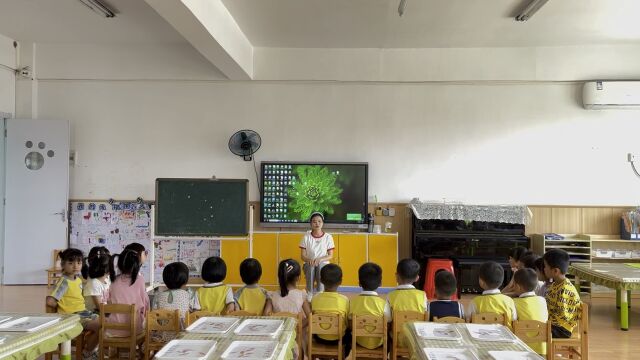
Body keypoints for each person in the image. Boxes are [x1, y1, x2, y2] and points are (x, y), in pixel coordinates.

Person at [47, 248, 100, 359]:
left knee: (106, 323)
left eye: (79, 263)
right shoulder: (64, 282)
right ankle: (88, 352)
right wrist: (61, 305)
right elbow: (50, 301)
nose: (75, 266)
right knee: (101, 325)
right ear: (63, 265)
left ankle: (90, 349)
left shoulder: (78, 279)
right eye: (70, 263)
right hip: (72, 317)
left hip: (83, 313)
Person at [264, 259, 311, 360]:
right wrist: (298, 326)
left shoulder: (272, 295)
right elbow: (310, 317)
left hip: (278, 340)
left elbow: (266, 315)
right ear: (298, 278)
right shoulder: (301, 294)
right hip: (297, 341)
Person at [310, 264, 351, 357]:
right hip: (338, 339)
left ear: (321, 280)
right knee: (350, 333)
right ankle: (341, 356)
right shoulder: (345, 300)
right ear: (340, 281)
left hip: (319, 338)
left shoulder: (315, 299)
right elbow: (347, 323)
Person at [108, 248, 150, 336]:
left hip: (113, 329)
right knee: (148, 328)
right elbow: (145, 304)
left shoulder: (113, 280)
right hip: (134, 329)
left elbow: (109, 301)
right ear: (137, 264)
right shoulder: (140, 279)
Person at [152, 262, 200, 340]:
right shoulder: (188, 294)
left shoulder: (158, 296)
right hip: (182, 336)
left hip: (163, 336)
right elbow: (195, 313)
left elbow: (154, 315)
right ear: (185, 279)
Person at [348, 262, 391, 350]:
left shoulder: (352, 302)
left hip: (358, 341)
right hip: (379, 343)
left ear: (359, 283)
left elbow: (349, 325)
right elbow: (388, 324)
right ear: (380, 283)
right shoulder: (384, 304)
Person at [466, 261, 517, 329]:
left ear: (481, 282)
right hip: (505, 338)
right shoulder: (509, 301)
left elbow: (468, 322)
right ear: (501, 282)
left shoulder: (475, 302)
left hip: (481, 338)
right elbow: (514, 321)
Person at [544, 249, 581, 338]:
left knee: (532, 329)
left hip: (562, 329)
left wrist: (544, 322)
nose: (544, 269)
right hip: (554, 325)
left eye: (545, 266)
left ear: (555, 271)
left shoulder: (565, 290)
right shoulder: (555, 284)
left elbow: (562, 318)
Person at [512, 268, 548, 355]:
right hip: (542, 351)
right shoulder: (542, 300)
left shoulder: (513, 302)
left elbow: (512, 323)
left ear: (517, 286)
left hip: (521, 350)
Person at [300, 212, 335, 300]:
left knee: (319, 265)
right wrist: (309, 260)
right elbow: (303, 256)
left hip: (323, 264)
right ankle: (310, 293)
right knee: (312, 266)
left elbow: (330, 256)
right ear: (311, 223)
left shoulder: (328, 237)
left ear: (322, 223)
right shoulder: (306, 236)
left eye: (319, 221)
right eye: (314, 221)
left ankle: (320, 292)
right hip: (309, 263)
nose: (317, 224)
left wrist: (320, 259)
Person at [83, 246, 114, 313]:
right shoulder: (94, 283)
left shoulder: (107, 280)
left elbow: (109, 301)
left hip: (104, 313)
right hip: (93, 315)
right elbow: (100, 308)